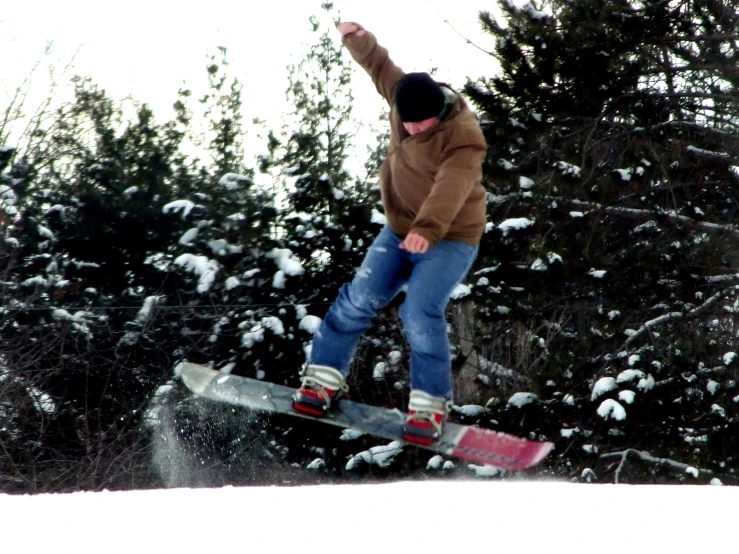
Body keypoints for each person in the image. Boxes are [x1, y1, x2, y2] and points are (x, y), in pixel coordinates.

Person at [292, 21, 487, 445]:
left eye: (424, 124)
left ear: (439, 113)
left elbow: (450, 187)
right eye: (409, 123)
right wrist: (356, 39)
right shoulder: (403, 96)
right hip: (400, 229)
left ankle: (430, 405)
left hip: (450, 236)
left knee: (418, 311)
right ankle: (323, 379)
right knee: (359, 296)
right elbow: (380, 66)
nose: (415, 129)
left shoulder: (464, 138)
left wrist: (427, 230)